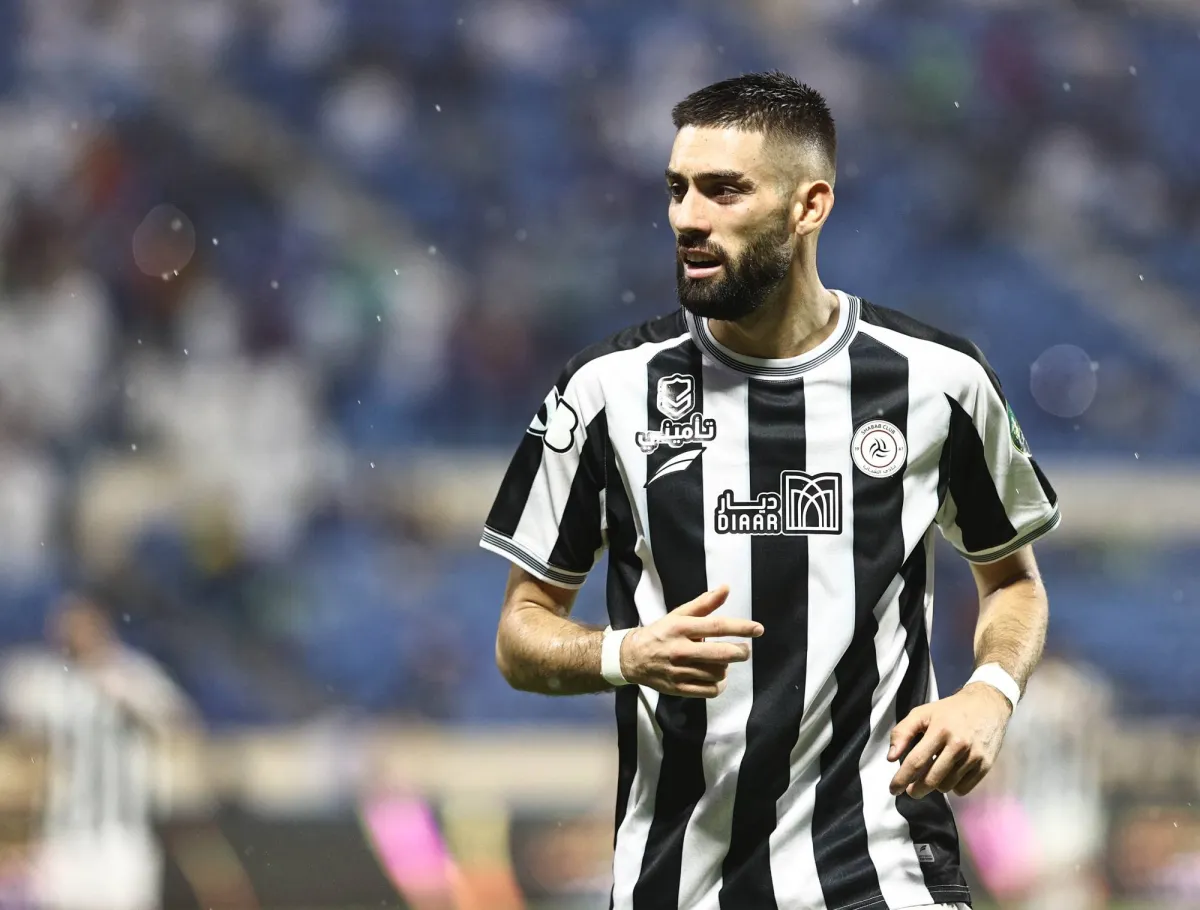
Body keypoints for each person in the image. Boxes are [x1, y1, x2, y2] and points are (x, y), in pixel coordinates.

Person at [481, 71, 1059, 910]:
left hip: (884, 872)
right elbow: (518, 633)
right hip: (676, 883)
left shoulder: (939, 382)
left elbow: (1012, 583)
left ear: (808, 206)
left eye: (724, 191)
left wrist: (990, 693)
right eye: (677, 189)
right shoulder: (606, 390)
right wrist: (624, 653)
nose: (688, 217)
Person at [0, 592, 199, 910]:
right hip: (63, 830)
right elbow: (16, 709)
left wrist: (129, 701)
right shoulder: (45, 680)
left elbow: (180, 725)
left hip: (121, 832)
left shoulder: (133, 675)